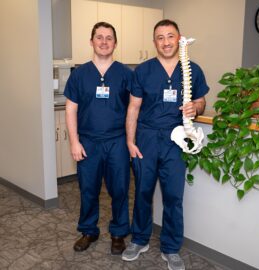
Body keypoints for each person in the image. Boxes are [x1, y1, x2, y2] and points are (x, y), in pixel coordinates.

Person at [122, 19, 209, 270]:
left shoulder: (192, 69)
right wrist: (130, 141)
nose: (166, 42)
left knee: (173, 196)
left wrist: (196, 107)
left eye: (170, 36)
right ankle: (139, 240)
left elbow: (201, 101)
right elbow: (133, 108)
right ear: (154, 42)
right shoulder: (142, 71)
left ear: (179, 38)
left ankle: (171, 248)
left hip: (176, 139)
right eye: (160, 37)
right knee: (142, 193)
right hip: (146, 139)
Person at [64, 22, 132, 255]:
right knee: (88, 189)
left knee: (120, 189)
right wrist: (74, 141)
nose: (104, 42)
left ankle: (118, 233)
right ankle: (89, 230)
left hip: (117, 142)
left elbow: (135, 108)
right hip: (88, 142)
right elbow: (71, 109)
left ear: (115, 43)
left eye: (109, 38)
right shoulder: (80, 75)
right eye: (99, 37)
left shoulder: (125, 74)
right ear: (91, 41)